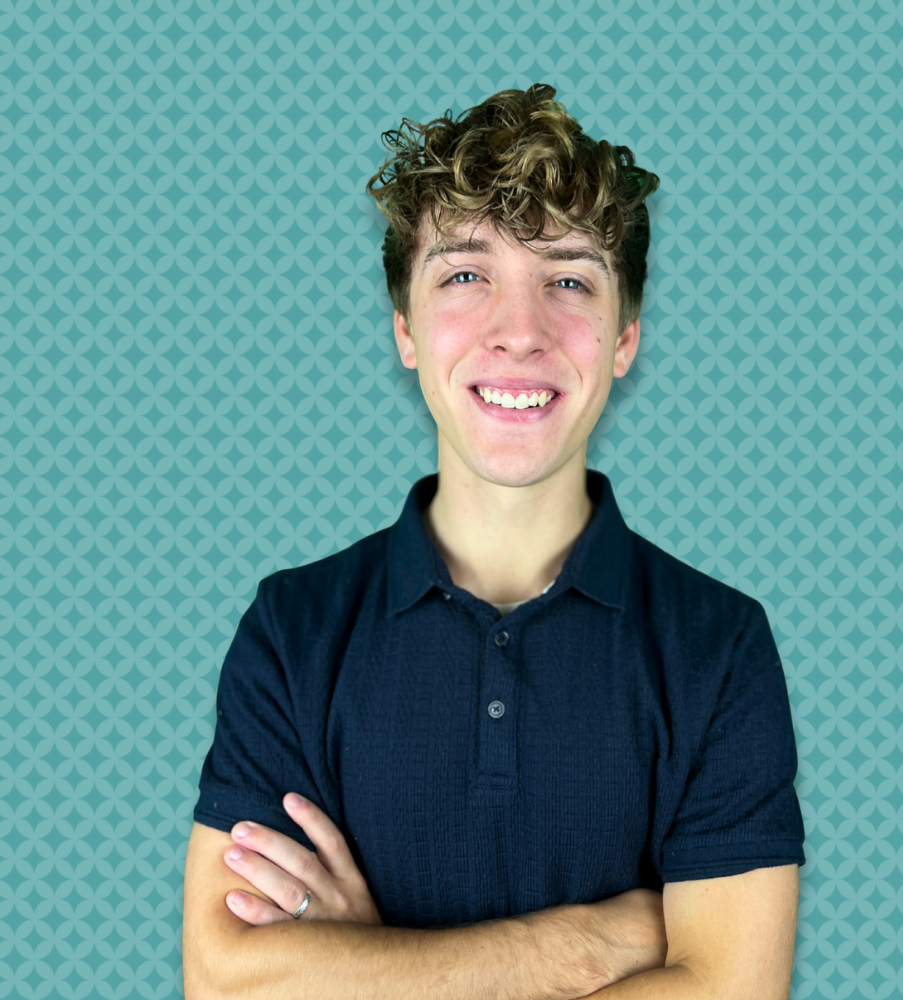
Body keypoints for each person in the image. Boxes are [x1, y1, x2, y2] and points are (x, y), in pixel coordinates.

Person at [181, 83, 806, 999]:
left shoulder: (720, 644)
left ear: (626, 335)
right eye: (467, 275)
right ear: (404, 328)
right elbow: (228, 983)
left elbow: (731, 993)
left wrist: (368, 965)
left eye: (568, 280)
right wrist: (593, 946)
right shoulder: (293, 629)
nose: (521, 332)